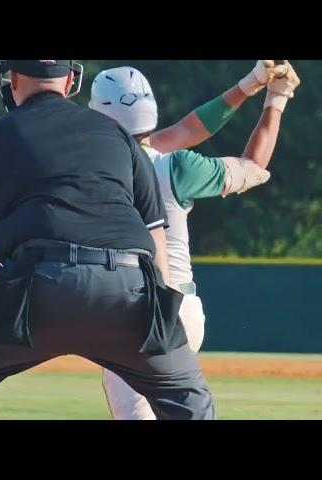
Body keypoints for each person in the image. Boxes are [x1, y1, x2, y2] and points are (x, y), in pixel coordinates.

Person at [0, 60, 216, 420]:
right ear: (72, 78)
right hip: (128, 291)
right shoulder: (120, 139)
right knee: (186, 392)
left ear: (9, 78)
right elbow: (156, 239)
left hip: (37, 292)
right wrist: (161, 319)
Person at [89, 61, 300, 419]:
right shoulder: (175, 167)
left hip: (126, 316)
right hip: (183, 313)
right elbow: (252, 165)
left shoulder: (87, 167)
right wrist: (273, 100)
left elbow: (187, 128)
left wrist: (248, 84)